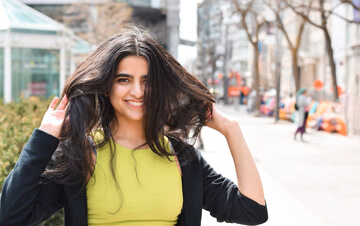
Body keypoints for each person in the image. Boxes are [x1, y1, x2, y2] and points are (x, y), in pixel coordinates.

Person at [0, 26, 267, 226]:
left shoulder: (182, 158)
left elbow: (252, 211)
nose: (137, 91)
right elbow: (11, 217)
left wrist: (232, 130)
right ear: (106, 86)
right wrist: (44, 137)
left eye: (147, 81)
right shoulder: (80, 156)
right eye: (124, 80)